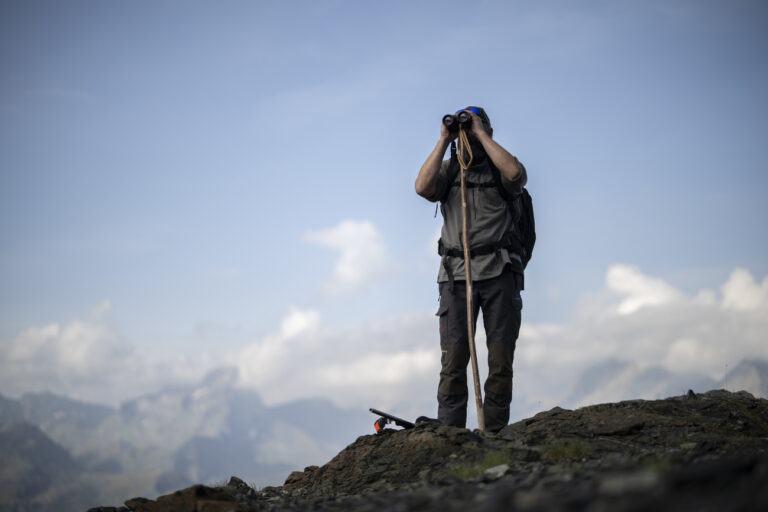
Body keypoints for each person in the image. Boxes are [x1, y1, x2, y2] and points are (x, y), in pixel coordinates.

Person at [414, 106, 527, 433]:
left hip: (499, 273)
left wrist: (478, 132)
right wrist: (444, 139)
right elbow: (422, 188)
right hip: (455, 277)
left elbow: (516, 175)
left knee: (500, 360)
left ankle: (492, 433)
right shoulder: (449, 171)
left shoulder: (499, 167)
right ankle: (451, 436)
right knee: (452, 364)